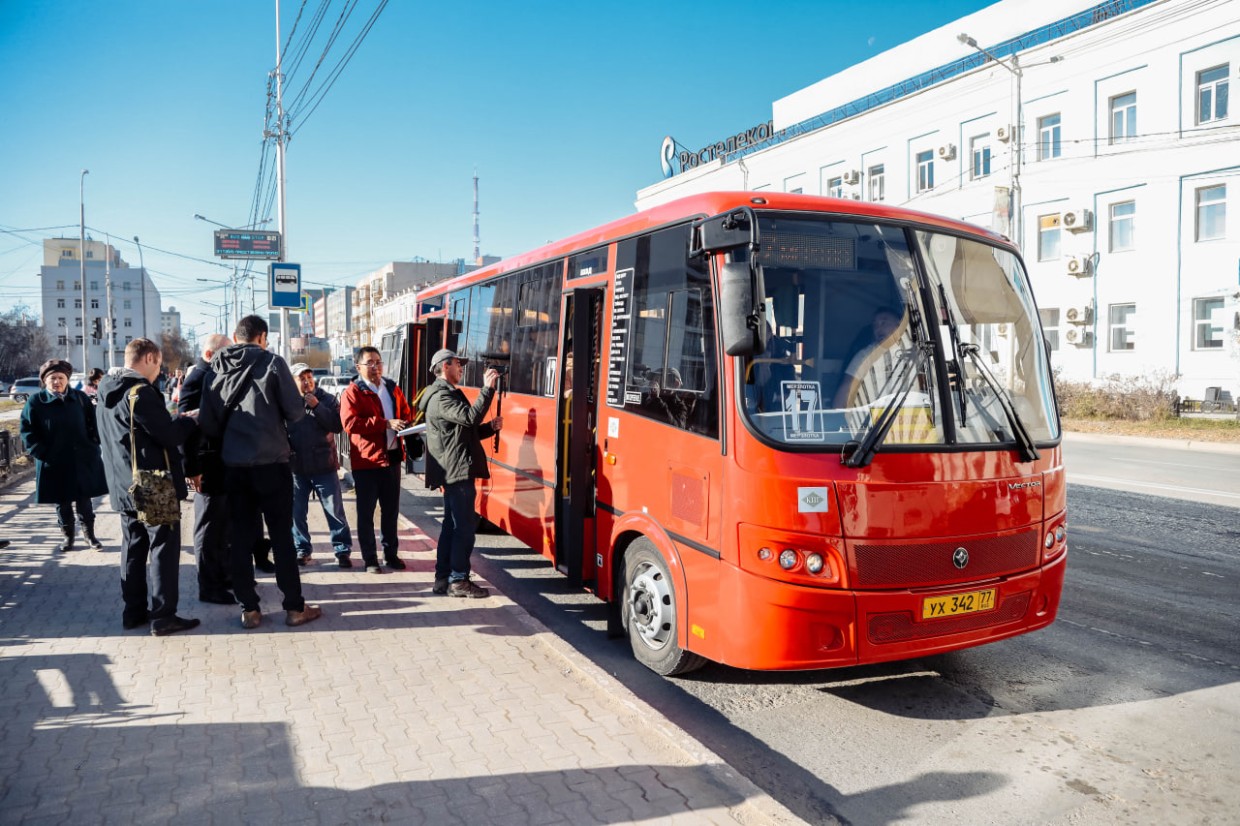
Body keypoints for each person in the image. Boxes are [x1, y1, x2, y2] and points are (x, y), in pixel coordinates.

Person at [199, 315, 322, 630]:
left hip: (234, 467)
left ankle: (249, 610)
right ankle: (294, 608)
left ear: (236, 336)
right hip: (271, 463)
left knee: (240, 536)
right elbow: (295, 412)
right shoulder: (273, 363)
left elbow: (209, 423)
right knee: (281, 536)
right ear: (262, 336)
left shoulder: (215, 367)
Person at [96, 339, 201, 635]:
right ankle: (164, 615)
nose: (159, 371)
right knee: (163, 549)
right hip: (152, 482)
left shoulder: (106, 389)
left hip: (122, 482)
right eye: (159, 363)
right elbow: (168, 435)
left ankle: (133, 612)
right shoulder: (140, 392)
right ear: (151, 358)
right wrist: (188, 421)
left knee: (132, 548)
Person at [416, 348, 502, 598]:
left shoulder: (445, 393)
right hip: (456, 471)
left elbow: (462, 431)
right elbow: (468, 417)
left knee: (451, 526)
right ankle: (458, 580)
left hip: (454, 467)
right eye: (458, 363)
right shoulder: (442, 396)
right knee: (463, 528)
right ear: (444, 367)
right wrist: (488, 389)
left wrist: (488, 428)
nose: (462, 367)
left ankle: (443, 578)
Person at [19, 359, 108, 552]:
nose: (57, 381)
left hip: (81, 458)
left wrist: (94, 443)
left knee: (85, 500)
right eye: (52, 378)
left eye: (61, 378)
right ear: (45, 381)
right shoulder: (36, 402)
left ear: (67, 379)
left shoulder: (80, 398)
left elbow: (93, 421)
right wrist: (42, 453)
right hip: (54, 461)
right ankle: (68, 537)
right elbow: (27, 432)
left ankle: (90, 536)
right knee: (62, 501)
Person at [340, 346, 415, 575]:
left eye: (378, 362)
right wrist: (385, 423)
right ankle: (370, 559)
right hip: (367, 461)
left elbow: (406, 414)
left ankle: (390, 554)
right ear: (359, 367)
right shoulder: (353, 392)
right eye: (370, 363)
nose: (375, 367)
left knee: (391, 511)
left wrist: (406, 424)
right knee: (366, 513)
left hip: (392, 458)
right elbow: (350, 424)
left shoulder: (392, 387)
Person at [179, 333, 237, 604]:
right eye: (227, 354)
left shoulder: (213, 375)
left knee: (223, 526)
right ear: (210, 355)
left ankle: (224, 575)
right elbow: (187, 427)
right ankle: (208, 586)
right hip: (207, 465)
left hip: (222, 462)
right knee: (208, 528)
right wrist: (192, 467)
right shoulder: (196, 379)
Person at [287, 363, 354, 568]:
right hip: (297, 467)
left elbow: (336, 425)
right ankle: (302, 549)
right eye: (301, 378)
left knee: (334, 510)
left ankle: (342, 550)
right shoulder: (287, 401)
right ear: (293, 381)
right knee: (297, 513)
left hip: (324, 465)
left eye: (309, 376)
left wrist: (316, 406)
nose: (307, 381)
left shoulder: (326, 398)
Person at [832, 306, 903, 409]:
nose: (878, 329)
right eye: (875, 325)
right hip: (875, 419)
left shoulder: (915, 351)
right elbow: (846, 389)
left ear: (899, 325)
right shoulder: (866, 355)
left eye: (883, 323)